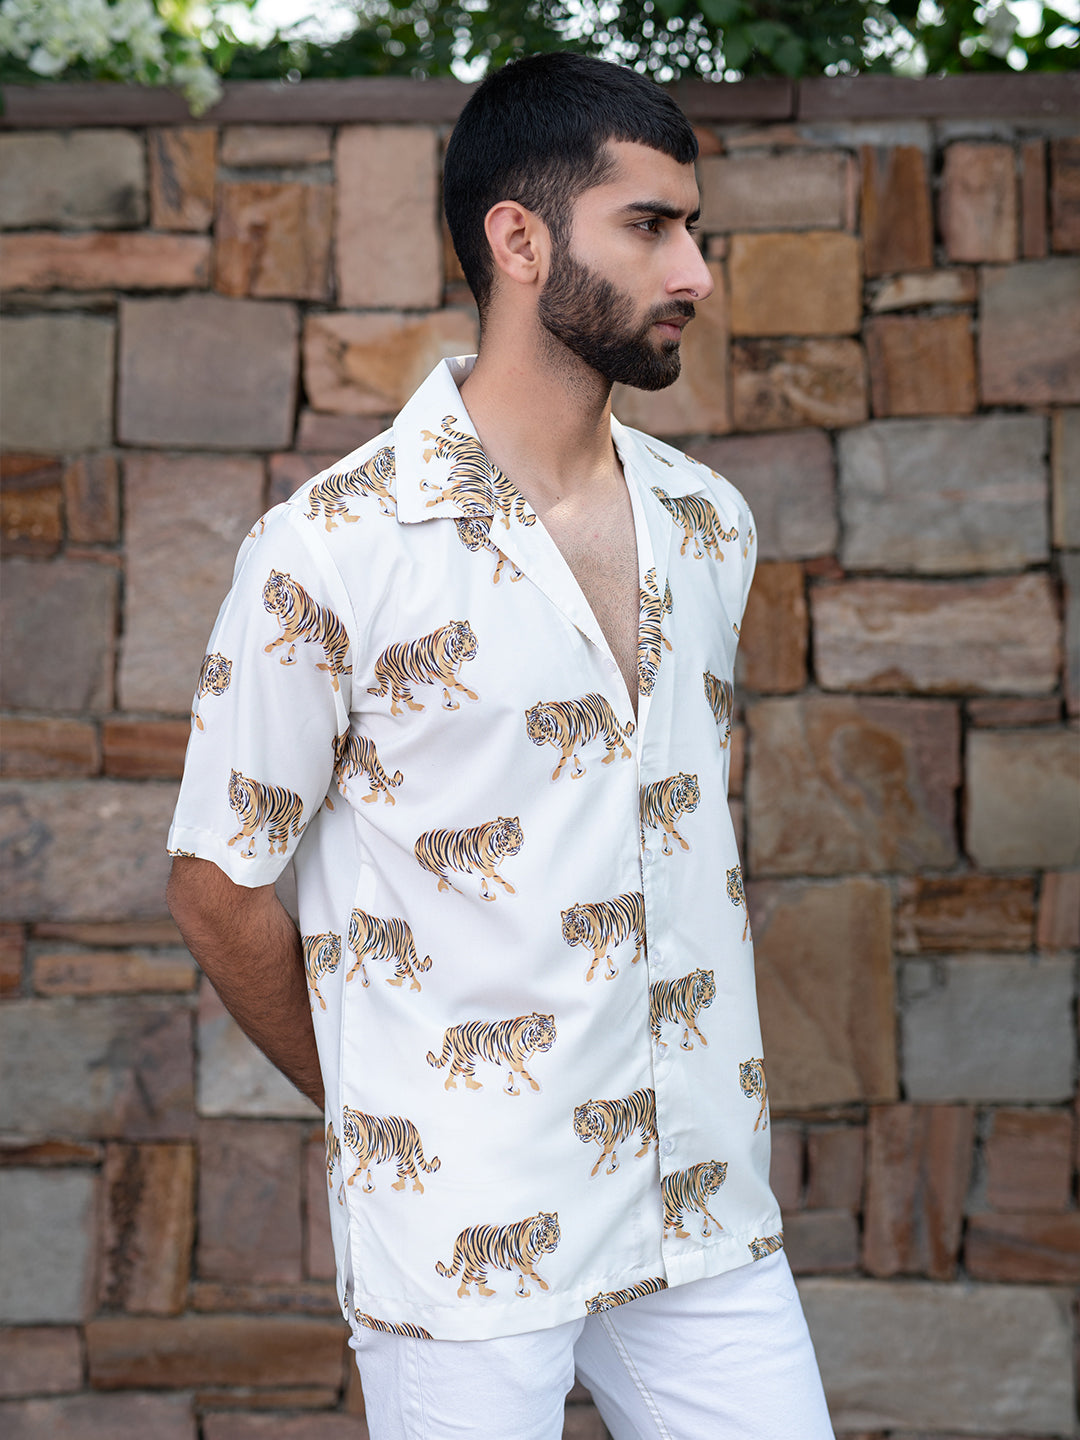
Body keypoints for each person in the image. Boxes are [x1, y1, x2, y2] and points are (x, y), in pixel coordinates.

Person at [166, 51, 834, 1440]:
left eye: (692, 228)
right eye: (649, 226)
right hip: (470, 1239)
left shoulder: (709, 525)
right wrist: (389, 1114)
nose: (696, 272)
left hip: (703, 1215)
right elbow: (219, 889)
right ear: (519, 240)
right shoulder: (333, 550)